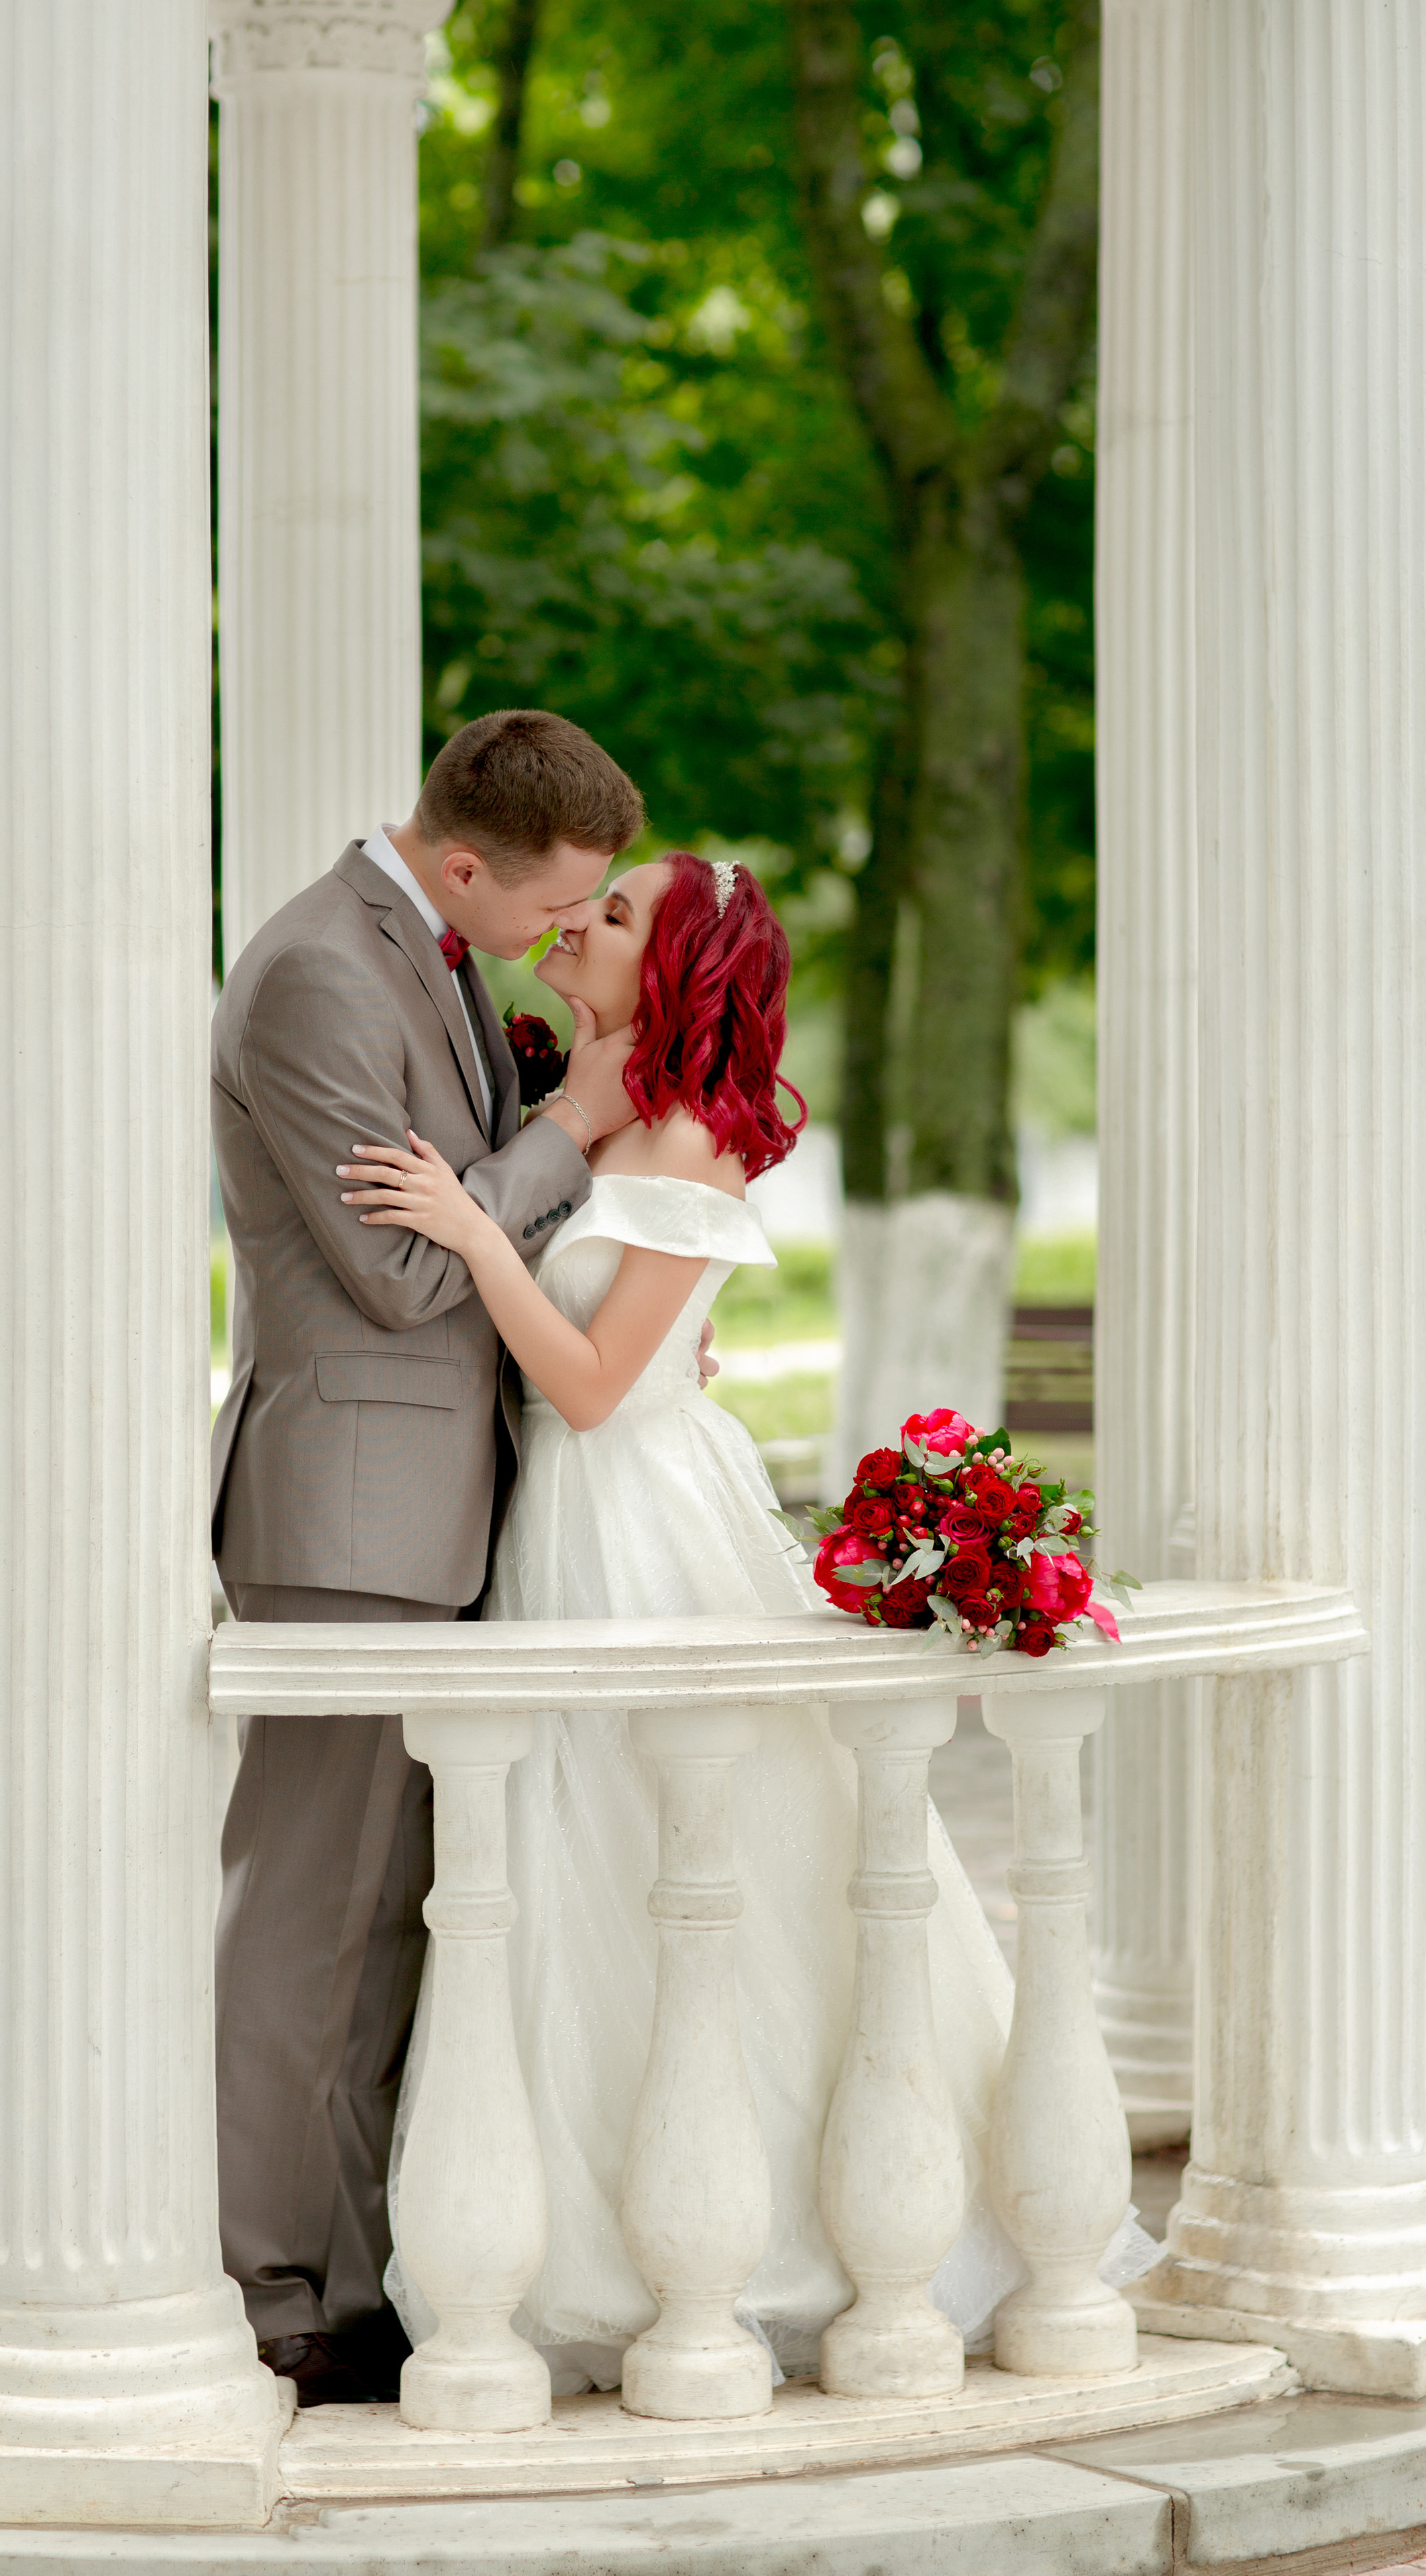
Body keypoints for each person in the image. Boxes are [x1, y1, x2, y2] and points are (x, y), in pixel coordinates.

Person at [341, 849, 1154, 2385]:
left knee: (698, 1858)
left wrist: (468, 1229)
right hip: (562, 1520)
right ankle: (577, 2243)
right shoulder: (584, 1111)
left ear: (672, 971)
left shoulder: (691, 1139)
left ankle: (788, 2233)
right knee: (572, 1872)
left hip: (637, 1519)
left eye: (617, 914)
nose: (581, 922)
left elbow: (595, 1389)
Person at [211, 708, 693, 2408]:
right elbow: (404, 1275)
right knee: (309, 1917)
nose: (567, 932)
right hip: (347, 1516)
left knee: (390, 1925)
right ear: (465, 863)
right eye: (555, 901)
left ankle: (357, 2274)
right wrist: (576, 1118)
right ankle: (266, 2288)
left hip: (434, 1511)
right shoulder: (317, 975)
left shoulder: (425, 952)